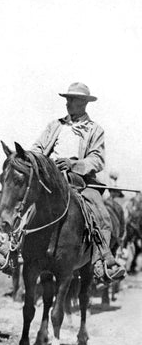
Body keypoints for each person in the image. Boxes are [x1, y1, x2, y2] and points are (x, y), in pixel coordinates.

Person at [31, 82, 125, 283]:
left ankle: (102, 261)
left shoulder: (95, 130)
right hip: (49, 178)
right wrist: (33, 159)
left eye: (72, 100)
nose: (68, 103)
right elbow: (38, 148)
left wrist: (74, 164)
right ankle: (10, 250)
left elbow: (97, 159)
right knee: (22, 200)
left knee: (101, 213)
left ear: (84, 103)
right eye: (67, 99)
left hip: (79, 181)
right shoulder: (55, 125)